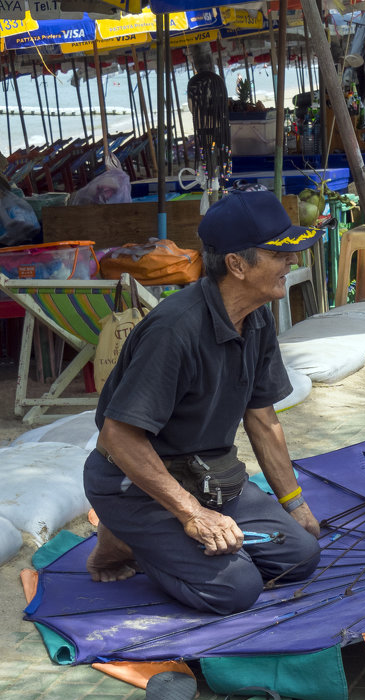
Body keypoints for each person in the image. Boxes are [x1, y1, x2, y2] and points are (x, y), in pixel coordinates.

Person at [84, 191, 324, 615]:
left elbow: (263, 419)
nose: (292, 263)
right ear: (236, 264)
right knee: (236, 588)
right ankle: (125, 538)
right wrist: (193, 515)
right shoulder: (174, 331)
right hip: (136, 485)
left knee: (300, 556)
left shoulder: (258, 314)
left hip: (212, 475)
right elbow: (118, 437)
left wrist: (295, 504)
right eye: (279, 254)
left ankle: (149, 538)